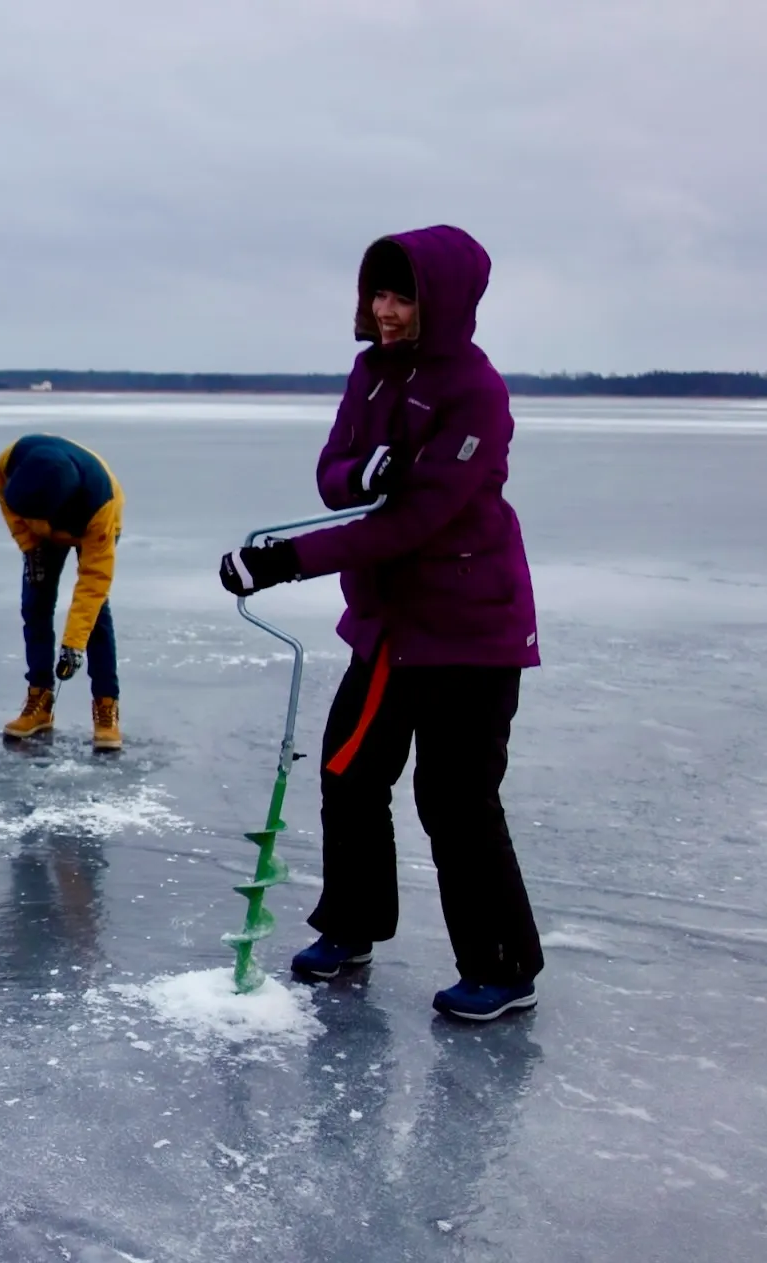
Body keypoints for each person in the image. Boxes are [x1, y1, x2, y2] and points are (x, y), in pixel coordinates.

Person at [218, 226, 544, 1022]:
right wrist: (356, 472)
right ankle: (352, 925)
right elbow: (335, 473)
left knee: (456, 796)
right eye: (380, 294)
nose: (387, 311)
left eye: (404, 297)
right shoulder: (369, 374)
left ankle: (503, 966)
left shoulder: (475, 391)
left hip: (470, 625)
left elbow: (413, 521)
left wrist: (284, 560)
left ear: (444, 301)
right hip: (392, 623)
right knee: (349, 771)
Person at [0, 434, 124, 751]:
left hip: (91, 521)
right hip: (44, 531)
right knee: (35, 604)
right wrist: (30, 549)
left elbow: (93, 582)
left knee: (95, 616)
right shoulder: (12, 460)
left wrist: (73, 646)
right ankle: (40, 701)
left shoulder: (99, 507)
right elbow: (6, 501)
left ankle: (106, 707)